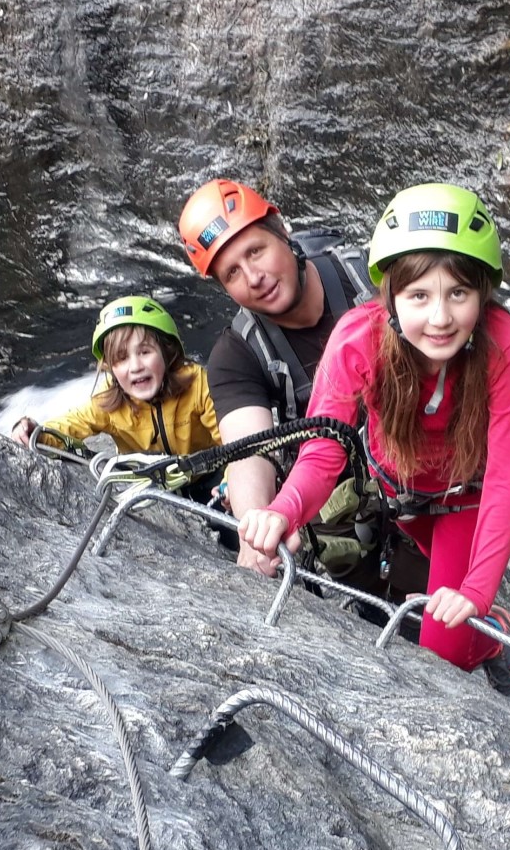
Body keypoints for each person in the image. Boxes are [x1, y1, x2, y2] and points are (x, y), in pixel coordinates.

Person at [236, 182, 510, 696]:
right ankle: (479, 627)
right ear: (392, 297)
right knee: (437, 606)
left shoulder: (502, 344)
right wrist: (284, 510)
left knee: (444, 655)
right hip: (395, 493)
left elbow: (506, 480)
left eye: (458, 294)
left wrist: (477, 592)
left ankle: (491, 639)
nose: (441, 318)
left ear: (482, 294)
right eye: (419, 296)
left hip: (460, 499)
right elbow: (324, 446)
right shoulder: (359, 337)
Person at [178, 178, 428, 600]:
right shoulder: (237, 354)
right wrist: (258, 527)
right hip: (345, 513)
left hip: (425, 474)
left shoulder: (373, 277)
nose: (254, 277)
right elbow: (248, 450)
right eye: (232, 273)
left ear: (282, 230)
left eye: (255, 251)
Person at [11, 295, 222, 501]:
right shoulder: (109, 403)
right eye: (121, 358)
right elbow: (69, 425)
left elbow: (231, 437)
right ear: (110, 367)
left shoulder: (196, 384)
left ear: (167, 353)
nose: (136, 367)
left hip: (209, 477)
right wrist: (34, 432)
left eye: (145, 352)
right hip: (150, 490)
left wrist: (229, 483)